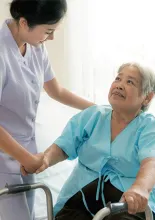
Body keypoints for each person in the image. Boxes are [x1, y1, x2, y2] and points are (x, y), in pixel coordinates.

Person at [28, 62, 155, 220]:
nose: (119, 85)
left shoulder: (149, 126)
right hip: (83, 193)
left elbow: (152, 163)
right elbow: (64, 146)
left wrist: (140, 189)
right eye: (118, 79)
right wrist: (46, 159)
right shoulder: (92, 116)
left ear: (147, 97)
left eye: (130, 82)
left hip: (129, 197)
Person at [0, 0, 94, 219]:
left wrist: (101, 110)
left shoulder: (36, 47)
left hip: (27, 155)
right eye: (48, 31)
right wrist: (26, 158)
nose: (51, 38)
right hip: (6, 155)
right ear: (24, 23)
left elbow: (56, 91)